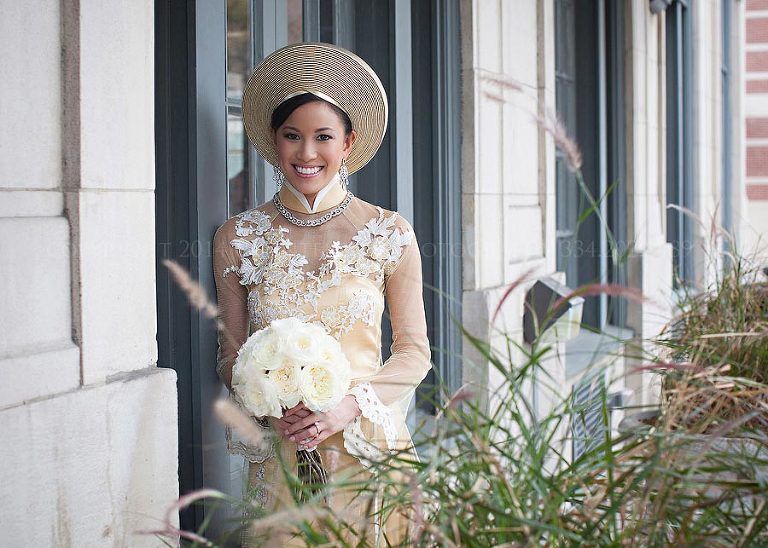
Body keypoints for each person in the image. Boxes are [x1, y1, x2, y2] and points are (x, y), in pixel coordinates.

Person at [212, 43, 431, 545]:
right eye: (292, 136)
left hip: (369, 451)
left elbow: (414, 353)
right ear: (274, 141)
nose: (307, 153)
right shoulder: (238, 236)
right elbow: (229, 356)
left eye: (323, 137)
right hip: (282, 455)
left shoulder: (388, 232)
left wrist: (347, 407)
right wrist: (270, 404)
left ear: (348, 142)